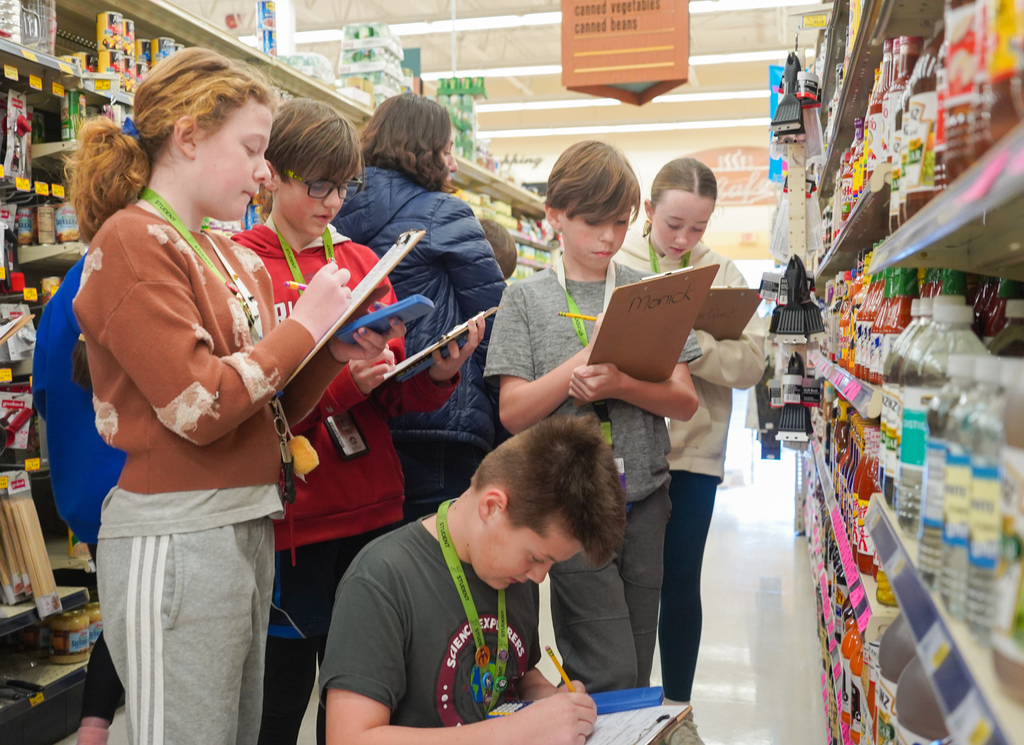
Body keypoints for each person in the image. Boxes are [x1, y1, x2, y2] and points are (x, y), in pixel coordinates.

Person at [69, 49, 398, 745]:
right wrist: (304, 321)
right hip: (178, 529)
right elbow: (201, 405)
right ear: (187, 137)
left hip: (247, 520)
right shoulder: (133, 239)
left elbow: (267, 406)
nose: (263, 171)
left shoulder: (227, 254)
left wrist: (327, 350)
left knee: (235, 730)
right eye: (252, 148)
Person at [231, 98, 485, 745]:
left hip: (373, 509)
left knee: (361, 690)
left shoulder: (362, 264)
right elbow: (258, 405)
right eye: (317, 184)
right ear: (273, 173)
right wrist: (345, 380)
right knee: (280, 689)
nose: (332, 202)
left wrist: (434, 373)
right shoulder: (239, 265)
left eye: (343, 185)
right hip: (294, 519)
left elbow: (394, 403)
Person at [484, 141, 702, 693]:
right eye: (592, 222)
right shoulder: (524, 301)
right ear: (554, 215)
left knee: (638, 651)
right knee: (605, 664)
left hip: (646, 497)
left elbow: (684, 400)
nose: (608, 238)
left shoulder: (652, 294)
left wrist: (622, 382)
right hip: (568, 504)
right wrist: (581, 363)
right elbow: (512, 413)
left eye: (620, 223)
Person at [320, 415, 627, 745]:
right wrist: (516, 733)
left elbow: (515, 679)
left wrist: (547, 699)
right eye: (537, 558)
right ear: (492, 507)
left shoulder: (513, 574)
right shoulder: (381, 579)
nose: (539, 576)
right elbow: (349, 738)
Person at [617, 158, 766, 715]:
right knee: (626, 586)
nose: (684, 239)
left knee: (680, 580)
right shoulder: (615, 260)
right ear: (649, 211)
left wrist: (694, 345)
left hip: (693, 453)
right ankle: (627, 707)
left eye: (698, 228)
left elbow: (753, 362)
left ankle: (678, 709)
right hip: (622, 450)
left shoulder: (722, 273)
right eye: (673, 224)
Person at [332, 93, 506, 523]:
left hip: (357, 412)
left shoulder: (332, 209)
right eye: (448, 149)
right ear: (424, 151)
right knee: (440, 567)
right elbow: (495, 320)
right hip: (441, 418)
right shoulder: (444, 213)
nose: (454, 163)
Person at [33, 256, 125, 745]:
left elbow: (43, 391)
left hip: (88, 494)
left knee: (118, 612)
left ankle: (93, 727)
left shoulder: (67, 288)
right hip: (139, 487)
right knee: (137, 624)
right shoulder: (147, 270)